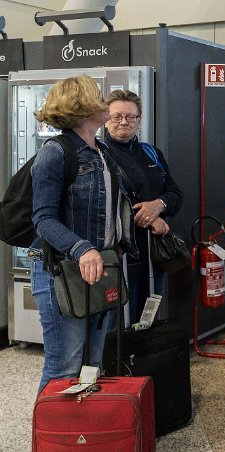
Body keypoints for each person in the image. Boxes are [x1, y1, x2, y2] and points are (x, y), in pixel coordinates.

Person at [30, 76, 138, 393]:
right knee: (64, 365)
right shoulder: (56, 153)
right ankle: (50, 441)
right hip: (61, 271)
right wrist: (83, 249)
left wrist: (117, 244)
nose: (106, 102)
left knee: (92, 363)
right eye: (99, 97)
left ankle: (82, 436)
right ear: (84, 105)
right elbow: (43, 219)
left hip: (97, 270)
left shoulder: (101, 152)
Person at [104, 89, 183, 324]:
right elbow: (106, 205)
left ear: (139, 120)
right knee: (116, 320)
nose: (124, 122)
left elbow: (175, 195)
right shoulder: (98, 155)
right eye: (117, 116)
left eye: (131, 117)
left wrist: (160, 205)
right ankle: (117, 361)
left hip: (153, 254)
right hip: (117, 255)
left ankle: (143, 358)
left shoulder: (151, 153)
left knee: (148, 314)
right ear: (105, 119)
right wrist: (150, 217)